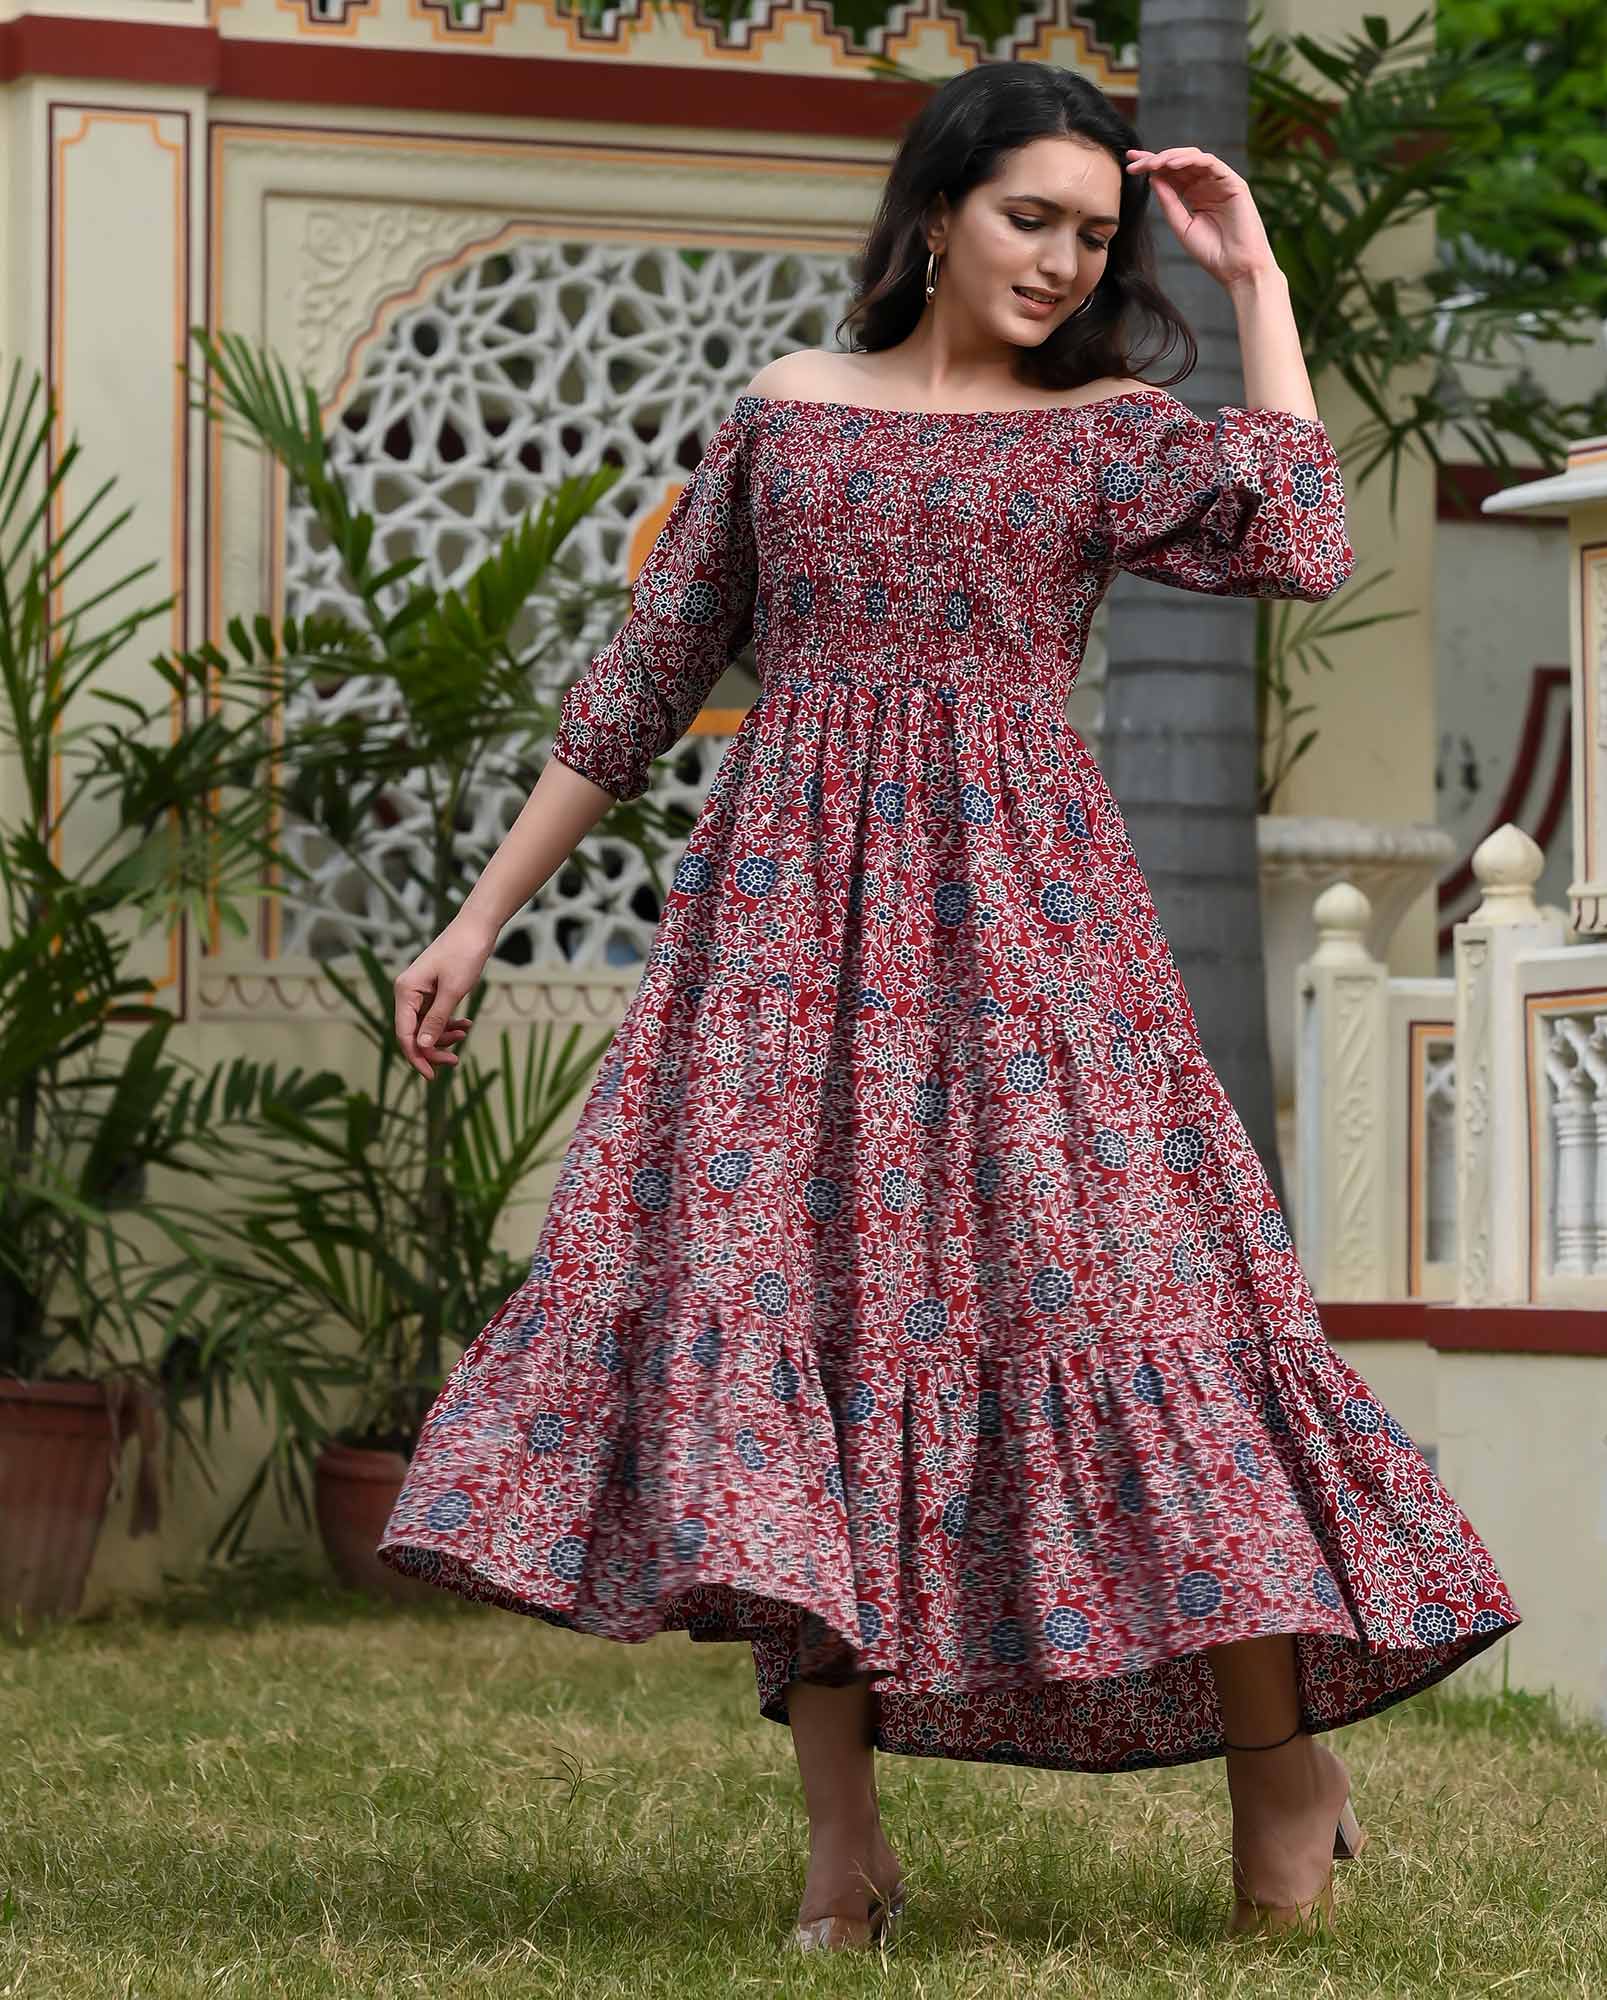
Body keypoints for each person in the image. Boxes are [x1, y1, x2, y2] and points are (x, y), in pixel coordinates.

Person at [376, 58, 1519, 1948]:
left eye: (1095, 234)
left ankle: (1285, 1773)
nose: (1067, 263)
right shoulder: (785, 421)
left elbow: (1298, 540)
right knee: (803, 1354)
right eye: (1032, 219)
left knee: (1162, 1335)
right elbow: (643, 675)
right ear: (933, 213)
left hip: (1031, 945)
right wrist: (477, 923)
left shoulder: (1102, 434)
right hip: (786, 958)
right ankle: (846, 1846)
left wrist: (1258, 289)